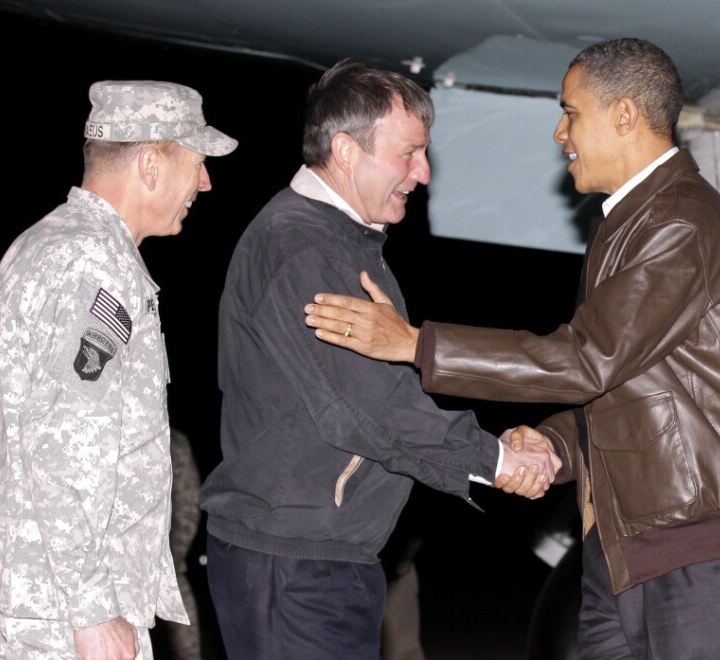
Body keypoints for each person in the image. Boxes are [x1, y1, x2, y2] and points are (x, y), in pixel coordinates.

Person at [303, 39, 720, 659]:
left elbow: (586, 360)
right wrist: (555, 445)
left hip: (703, 547)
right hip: (633, 546)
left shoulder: (679, 222)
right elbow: (625, 385)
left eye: (571, 112)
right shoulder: (633, 222)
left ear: (624, 116)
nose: (558, 133)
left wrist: (416, 344)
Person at [199, 59, 561, 660]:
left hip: (318, 557)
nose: (422, 173)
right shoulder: (303, 248)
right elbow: (365, 408)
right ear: (345, 150)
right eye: (409, 153)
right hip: (296, 564)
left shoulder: (338, 240)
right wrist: (495, 459)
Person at [0, 80, 237, 660]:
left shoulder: (58, 245)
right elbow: (60, 442)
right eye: (196, 163)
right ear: (149, 163)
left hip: (58, 591)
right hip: (70, 604)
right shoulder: (92, 263)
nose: (205, 182)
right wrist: (92, 607)